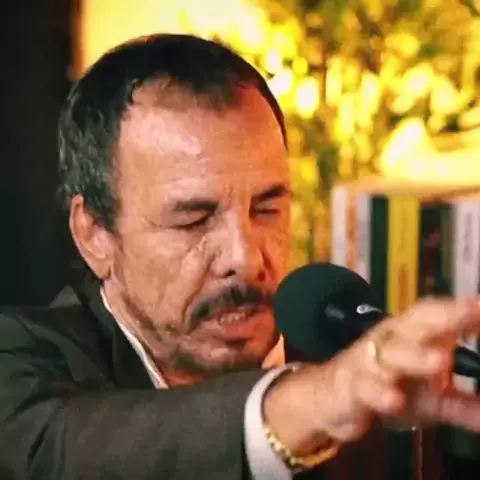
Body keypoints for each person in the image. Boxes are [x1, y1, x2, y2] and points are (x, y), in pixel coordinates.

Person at [1, 33, 480, 480]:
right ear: (94, 234)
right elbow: (66, 448)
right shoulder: (22, 362)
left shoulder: (354, 362)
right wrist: (315, 403)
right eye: (194, 220)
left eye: (267, 208)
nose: (246, 258)